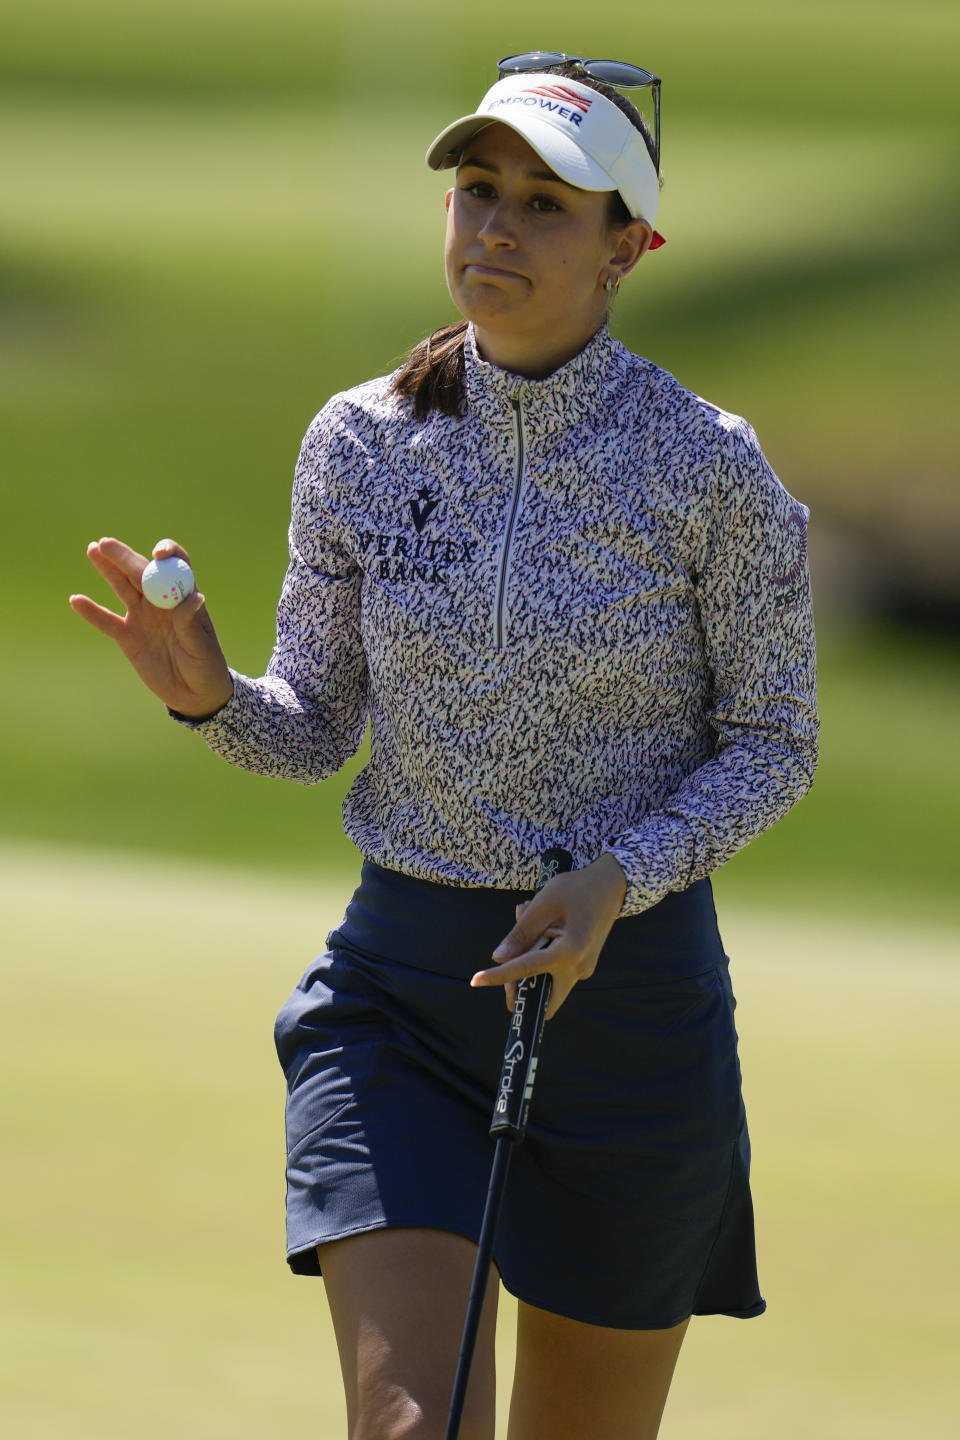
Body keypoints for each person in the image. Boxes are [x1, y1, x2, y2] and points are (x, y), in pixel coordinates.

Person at [70, 53, 818, 1440]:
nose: (497, 226)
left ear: (628, 248)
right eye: (481, 191)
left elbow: (774, 743)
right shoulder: (362, 439)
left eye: (547, 203)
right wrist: (209, 695)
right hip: (404, 998)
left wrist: (618, 874)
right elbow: (314, 733)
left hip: (633, 1014)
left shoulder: (710, 464)